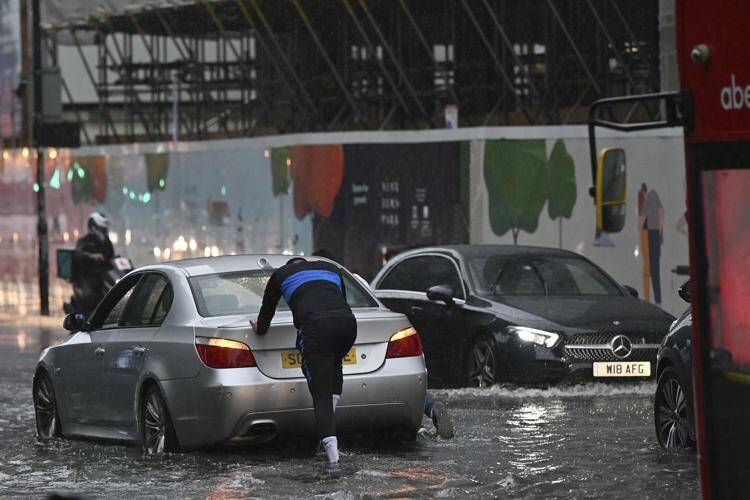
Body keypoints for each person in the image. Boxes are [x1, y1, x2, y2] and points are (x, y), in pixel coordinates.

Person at [250, 257, 356, 469]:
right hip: (348, 324)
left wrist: (259, 328)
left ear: (290, 266)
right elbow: (340, 299)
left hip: (316, 328)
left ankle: (333, 460)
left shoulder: (280, 275)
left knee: (320, 393)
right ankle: (327, 434)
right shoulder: (331, 267)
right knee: (334, 366)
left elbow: (266, 314)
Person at [73, 212, 115, 312]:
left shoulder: (106, 241)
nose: (104, 231)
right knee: (94, 299)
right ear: (93, 227)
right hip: (89, 276)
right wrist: (91, 256)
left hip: (105, 274)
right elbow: (78, 253)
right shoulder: (84, 241)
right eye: (101, 228)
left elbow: (111, 255)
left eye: (104, 229)